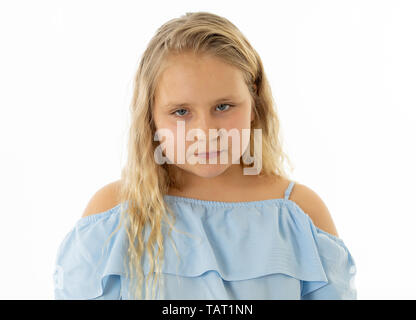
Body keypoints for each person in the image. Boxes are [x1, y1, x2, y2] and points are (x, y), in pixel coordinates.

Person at [53, 11, 357, 300]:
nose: (206, 131)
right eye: (181, 112)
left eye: (223, 107)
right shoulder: (113, 215)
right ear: (151, 116)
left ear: (253, 99)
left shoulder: (299, 215)